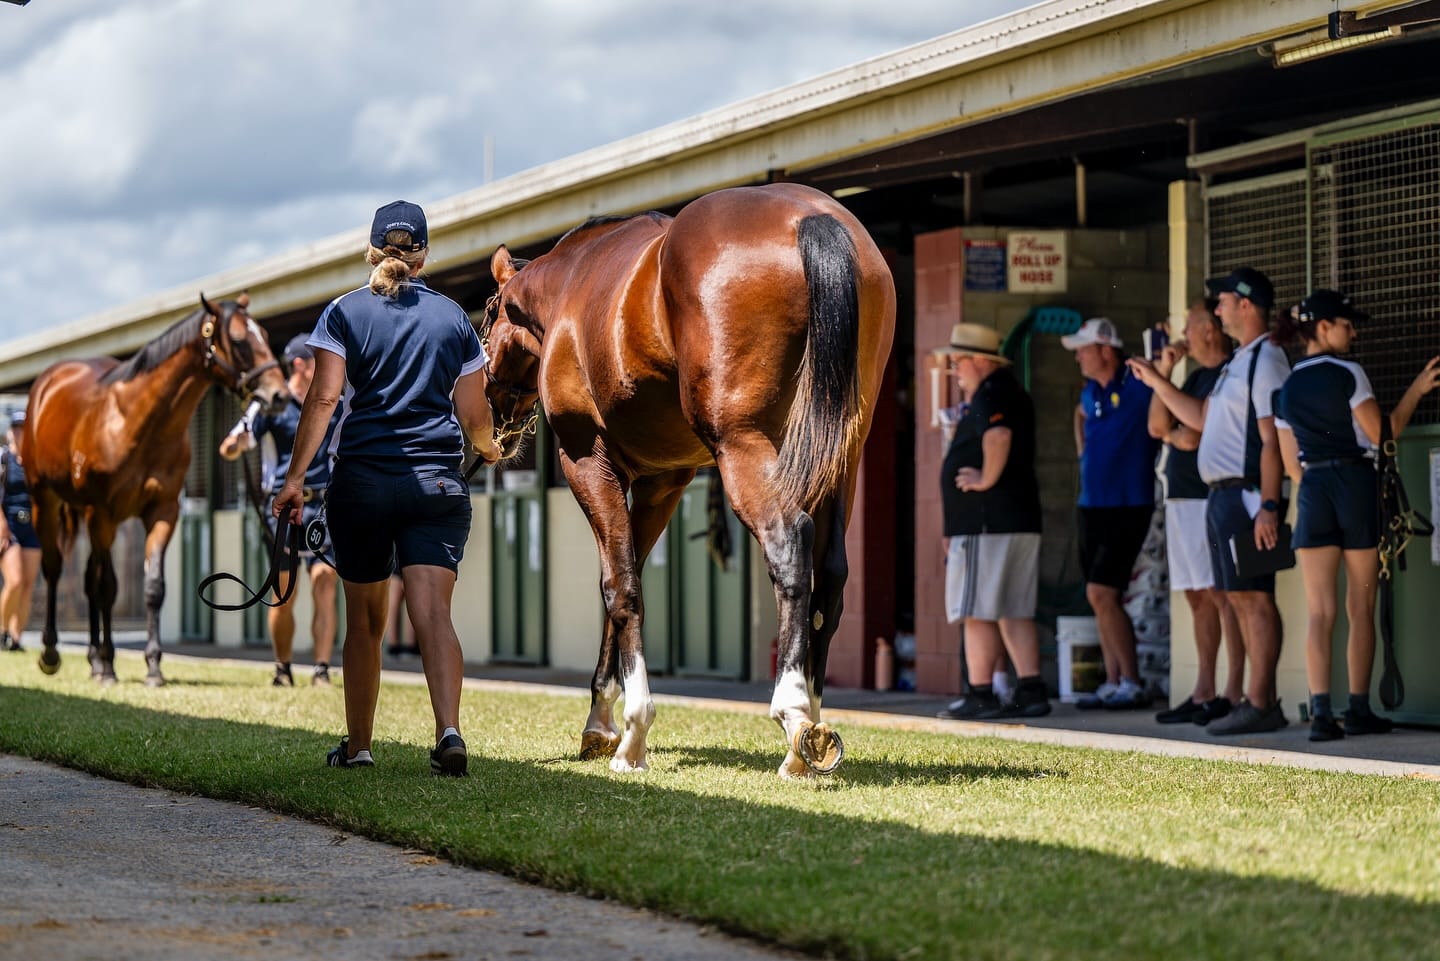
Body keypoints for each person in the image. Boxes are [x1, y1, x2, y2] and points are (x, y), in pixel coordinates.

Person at [274, 199, 501, 776]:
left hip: (363, 485)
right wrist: (489, 447)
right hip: (436, 488)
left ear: (371, 250)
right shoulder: (453, 318)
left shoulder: (342, 314)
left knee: (365, 623)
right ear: (422, 257)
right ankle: (449, 732)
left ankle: (359, 748)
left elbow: (324, 400)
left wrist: (295, 479)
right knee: (432, 615)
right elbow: (475, 415)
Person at [1128, 266, 1291, 736]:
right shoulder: (1240, 361)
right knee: (1237, 599)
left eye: (1222, 302)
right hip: (1221, 495)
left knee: (1254, 598)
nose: (1217, 311)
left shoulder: (1267, 359)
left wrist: (1269, 504)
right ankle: (1247, 700)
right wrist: (1157, 380)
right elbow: (1199, 415)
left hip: (1245, 494)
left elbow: (1271, 439)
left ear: (1246, 305)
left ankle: (1261, 701)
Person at [1271, 290, 1440, 741]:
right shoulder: (1348, 373)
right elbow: (1384, 432)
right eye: (1346, 324)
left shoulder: (1285, 388)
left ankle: (1322, 714)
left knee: (1319, 611)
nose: (1354, 331)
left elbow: (1291, 466)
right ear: (1323, 327)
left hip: (1313, 492)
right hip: (1354, 486)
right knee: (1360, 605)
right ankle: (1360, 709)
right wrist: (1416, 391)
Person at [932, 323, 1050, 720]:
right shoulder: (1008, 390)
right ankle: (1031, 690)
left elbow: (998, 437)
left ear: (980, 361)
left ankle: (980, 692)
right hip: (1014, 521)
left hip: (987, 525)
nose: (955, 370)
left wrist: (985, 479)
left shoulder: (991, 392)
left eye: (959, 361)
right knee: (1014, 608)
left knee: (976, 609)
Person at [220, 334, 341, 687]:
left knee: (325, 582)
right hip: (282, 509)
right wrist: (235, 445)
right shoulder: (270, 403)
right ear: (302, 365)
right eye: (319, 359)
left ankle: (320, 669)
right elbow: (233, 442)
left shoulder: (330, 400)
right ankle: (282, 668)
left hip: (323, 506)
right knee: (284, 592)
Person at [1147, 300, 1246, 726]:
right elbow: (1159, 427)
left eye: (1189, 323)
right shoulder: (1194, 376)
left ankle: (1232, 690)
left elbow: (1198, 431)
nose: (1182, 330)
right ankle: (1204, 687)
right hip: (1180, 498)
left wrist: (1179, 432)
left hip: (1210, 496)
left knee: (1222, 593)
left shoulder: (1229, 371)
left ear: (1208, 329)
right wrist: (1164, 373)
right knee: (1196, 595)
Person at [1064, 317, 1158, 710]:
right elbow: (1080, 415)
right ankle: (1115, 680)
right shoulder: (1090, 391)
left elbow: (1159, 398)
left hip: (1128, 503)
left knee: (1103, 592)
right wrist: (1084, 450)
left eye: (1084, 349)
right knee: (1098, 596)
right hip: (1092, 505)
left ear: (1105, 349)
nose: (1079, 358)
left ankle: (1131, 682)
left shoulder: (1136, 382)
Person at [0, 411, 39, 653]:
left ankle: (16, 638)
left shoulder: (36, 461)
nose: (18, 431)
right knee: (14, 581)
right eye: (15, 427)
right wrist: (2, 525)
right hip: (8, 526)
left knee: (27, 585)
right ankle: (2, 632)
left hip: (32, 527)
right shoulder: (3, 458)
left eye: (23, 427)